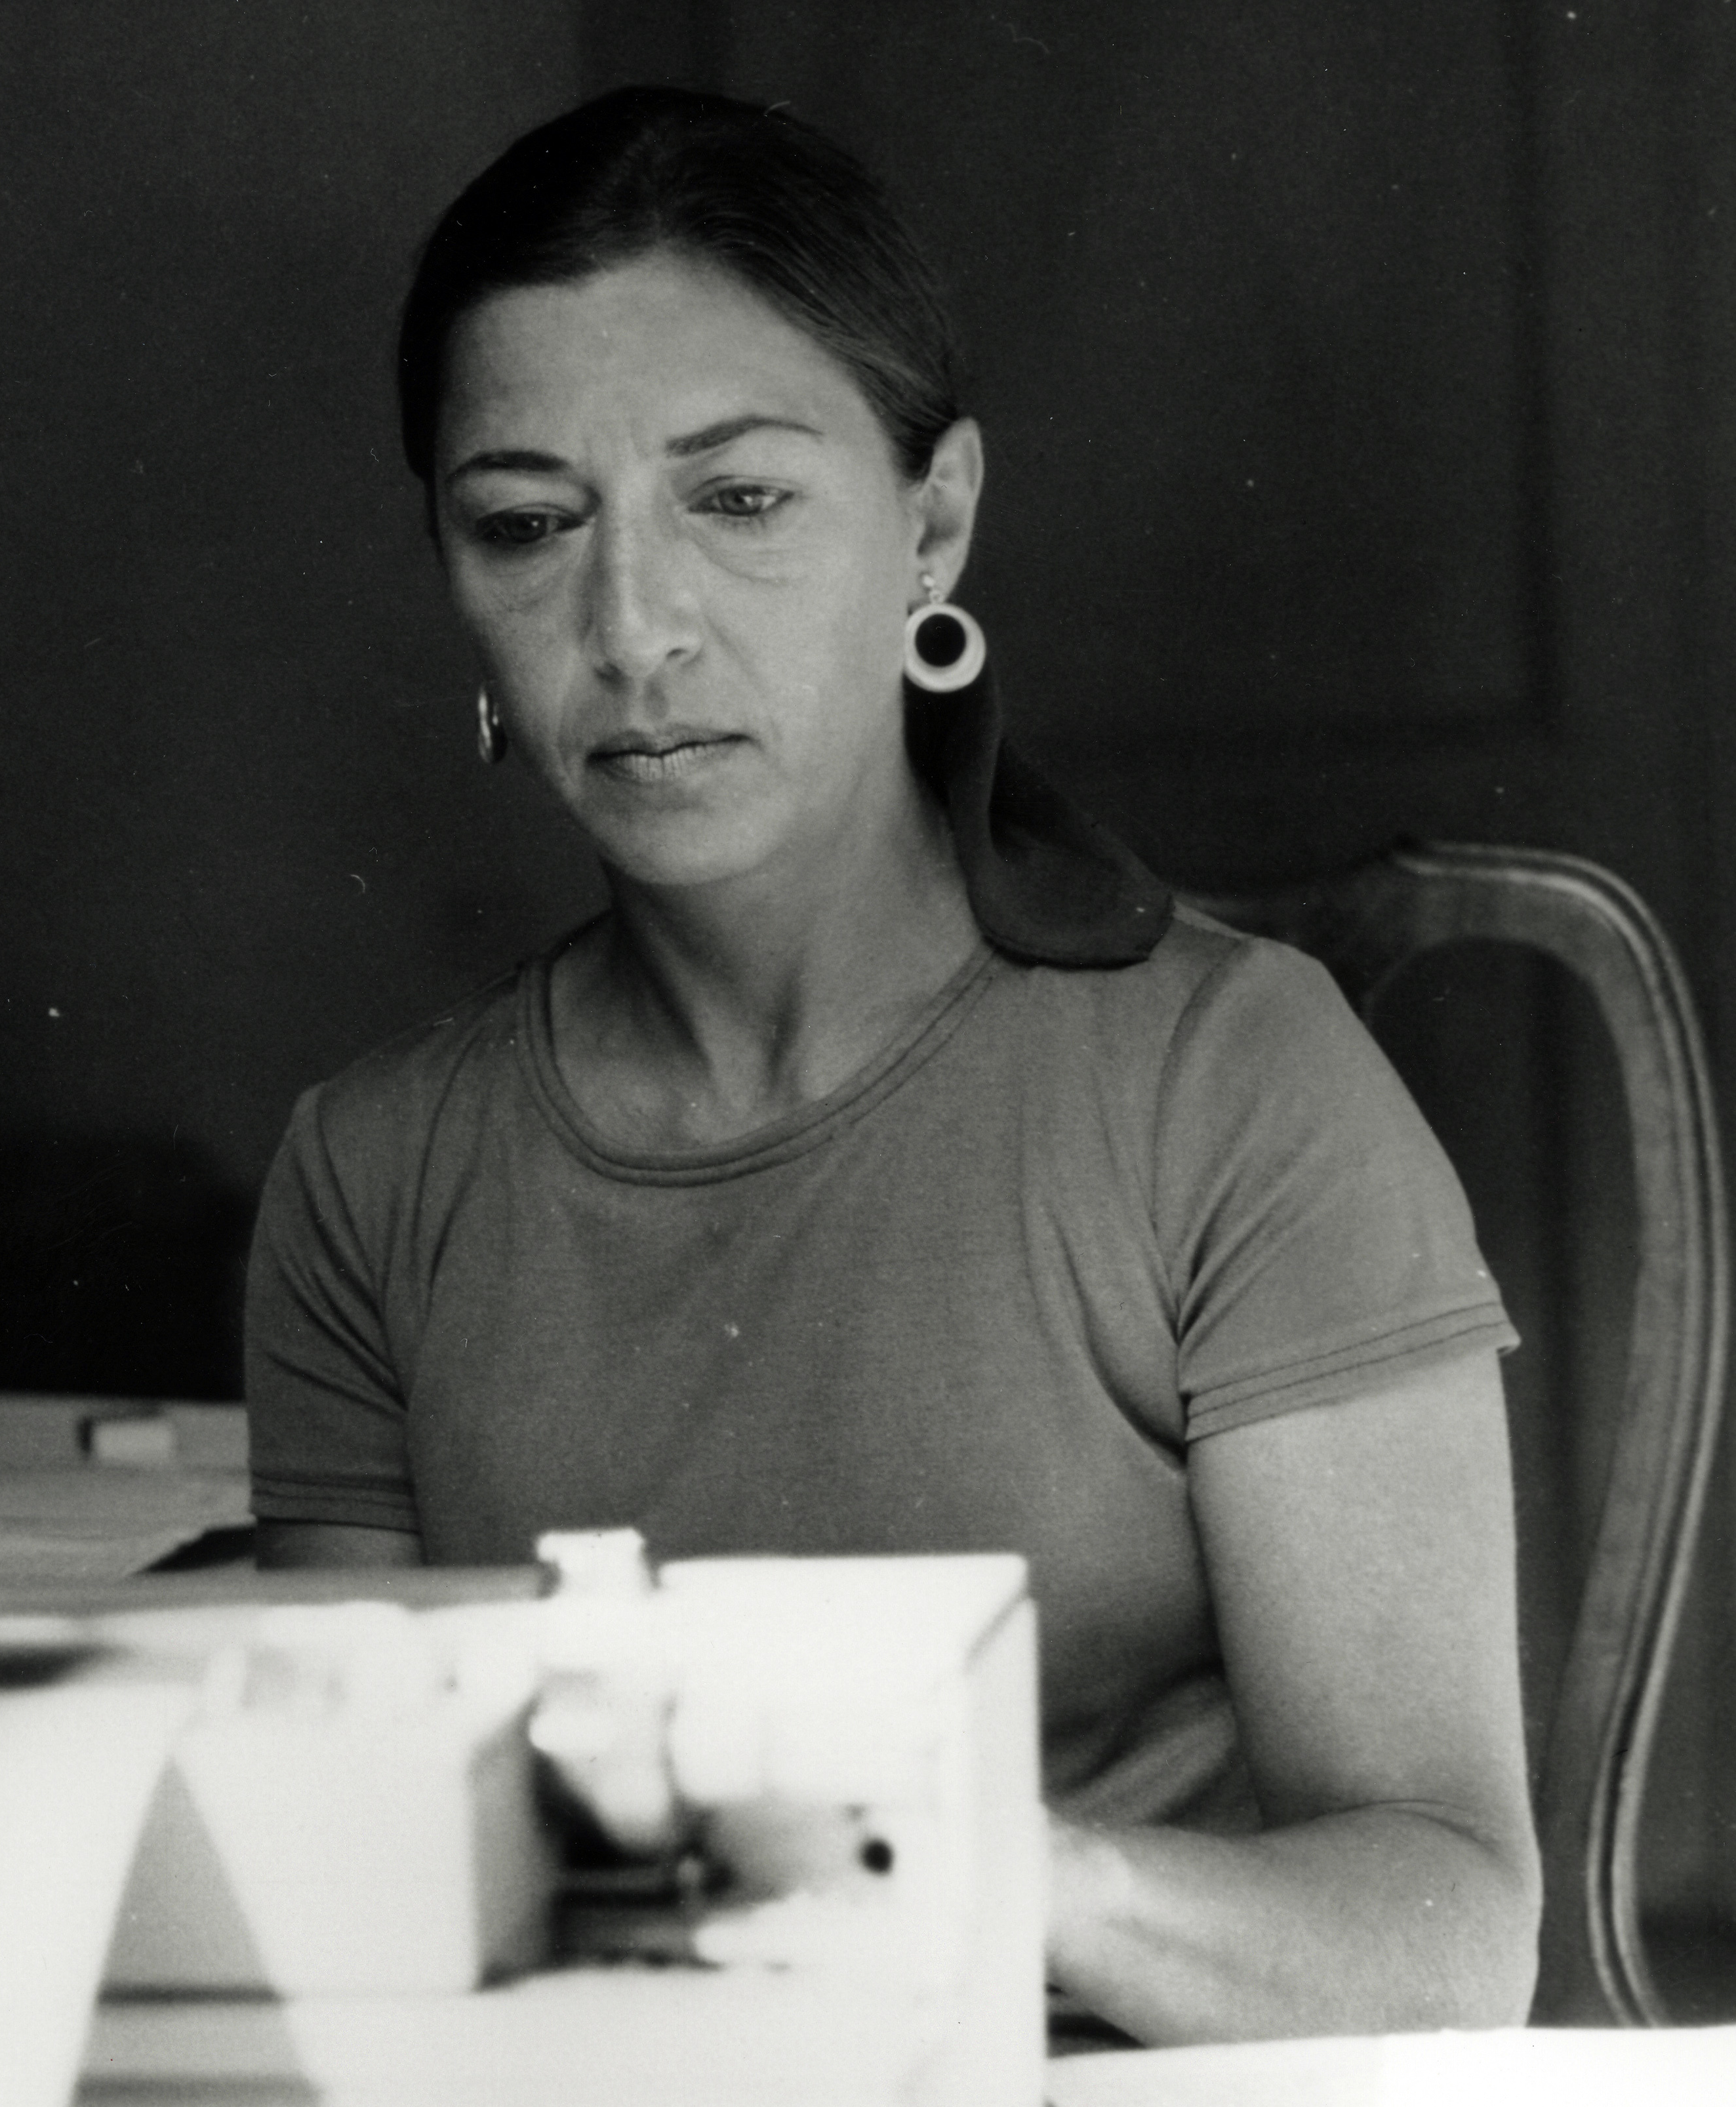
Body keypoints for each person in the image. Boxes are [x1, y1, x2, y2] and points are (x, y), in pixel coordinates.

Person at [244, 85, 1539, 2046]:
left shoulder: (1226, 1081)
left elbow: (1448, 1922)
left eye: (741, 499)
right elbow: (349, 1921)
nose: (633, 625)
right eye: (524, 525)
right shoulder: (372, 1177)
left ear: (931, 521)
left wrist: (950, 1860)